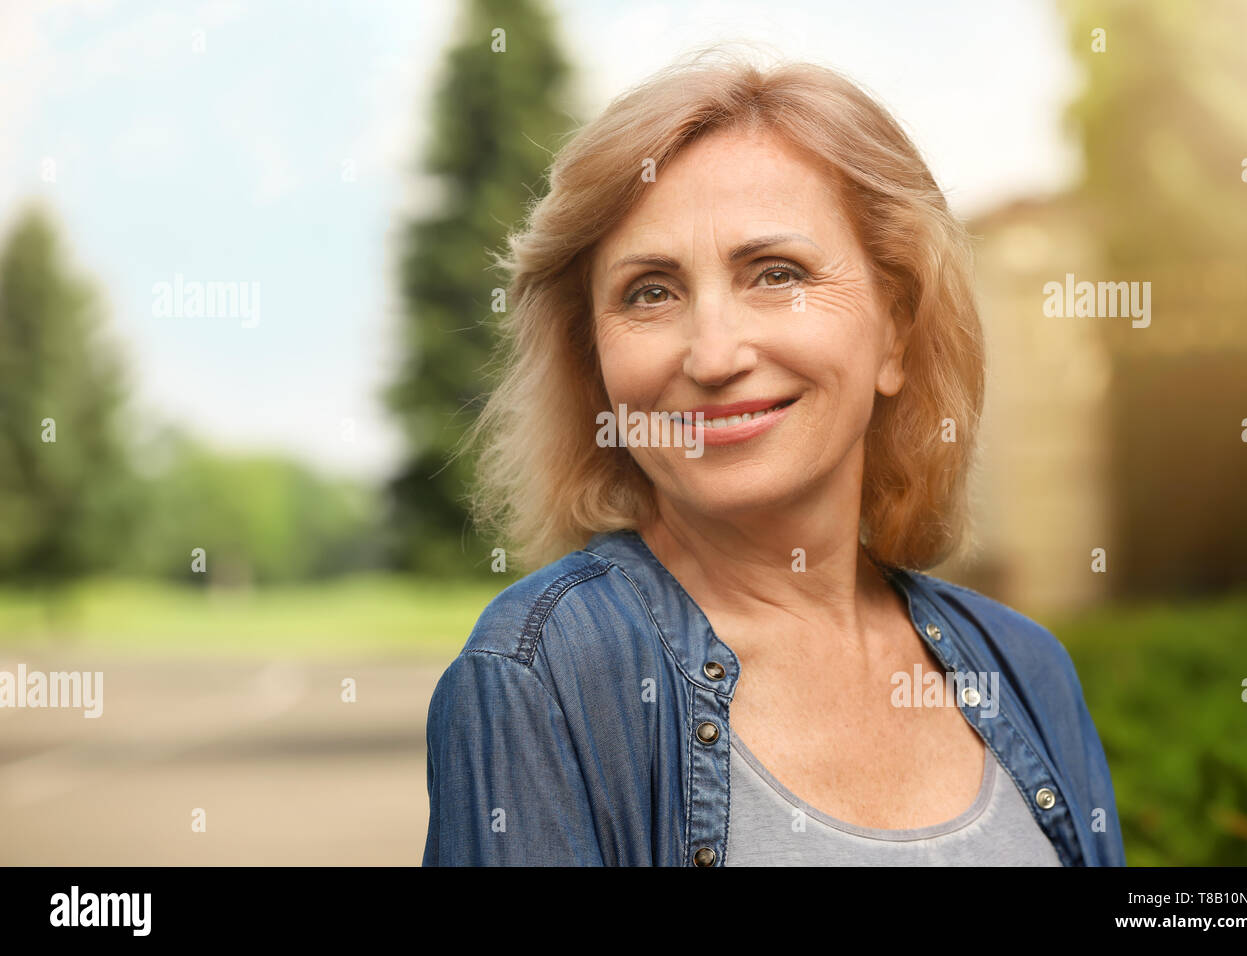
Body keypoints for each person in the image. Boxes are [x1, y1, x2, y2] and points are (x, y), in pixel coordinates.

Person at [422, 51, 1124, 867]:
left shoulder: (1029, 668)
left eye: (776, 274)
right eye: (651, 291)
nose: (714, 355)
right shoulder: (541, 675)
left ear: (896, 332)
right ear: (594, 361)